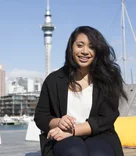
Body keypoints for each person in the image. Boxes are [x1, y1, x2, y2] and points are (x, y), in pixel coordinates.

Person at [34, 26, 127, 156]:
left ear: (98, 51)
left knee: (99, 154)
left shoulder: (109, 78)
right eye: (80, 45)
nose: (85, 51)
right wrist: (58, 122)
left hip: (99, 135)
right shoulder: (54, 80)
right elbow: (40, 116)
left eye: (91, 47)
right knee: (75, 152)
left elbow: (107, 117)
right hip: (63, 137)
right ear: (71, 48)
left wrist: (73, 131)